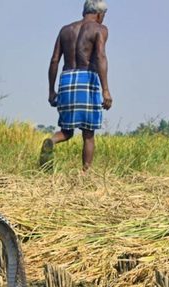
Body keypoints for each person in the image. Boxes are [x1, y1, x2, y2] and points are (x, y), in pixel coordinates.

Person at [40, 0, 112, 172]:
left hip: (66, 80)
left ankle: (52, 140)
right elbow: (101, 57)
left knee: (66, 130)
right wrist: (106, 90)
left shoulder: (65, 30)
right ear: (99, 14)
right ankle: (85, 174)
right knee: (88, 134)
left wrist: (51, 91)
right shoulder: (99, 29)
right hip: (87, 79)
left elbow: (54, 60)